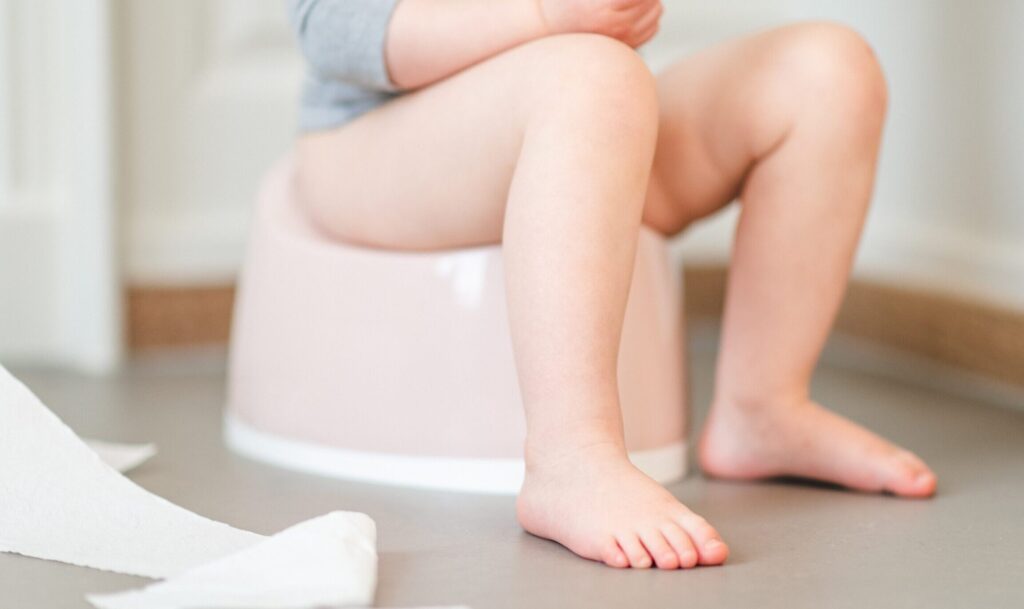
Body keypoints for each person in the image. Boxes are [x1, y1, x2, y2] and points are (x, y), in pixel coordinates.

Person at [286, 0, 938, 570]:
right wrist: (542, 15)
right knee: (594, 77)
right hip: (379, 145)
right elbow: (332, 27)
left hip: (585, 125)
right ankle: (569, 457)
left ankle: (764, 408)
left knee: (828, 70)